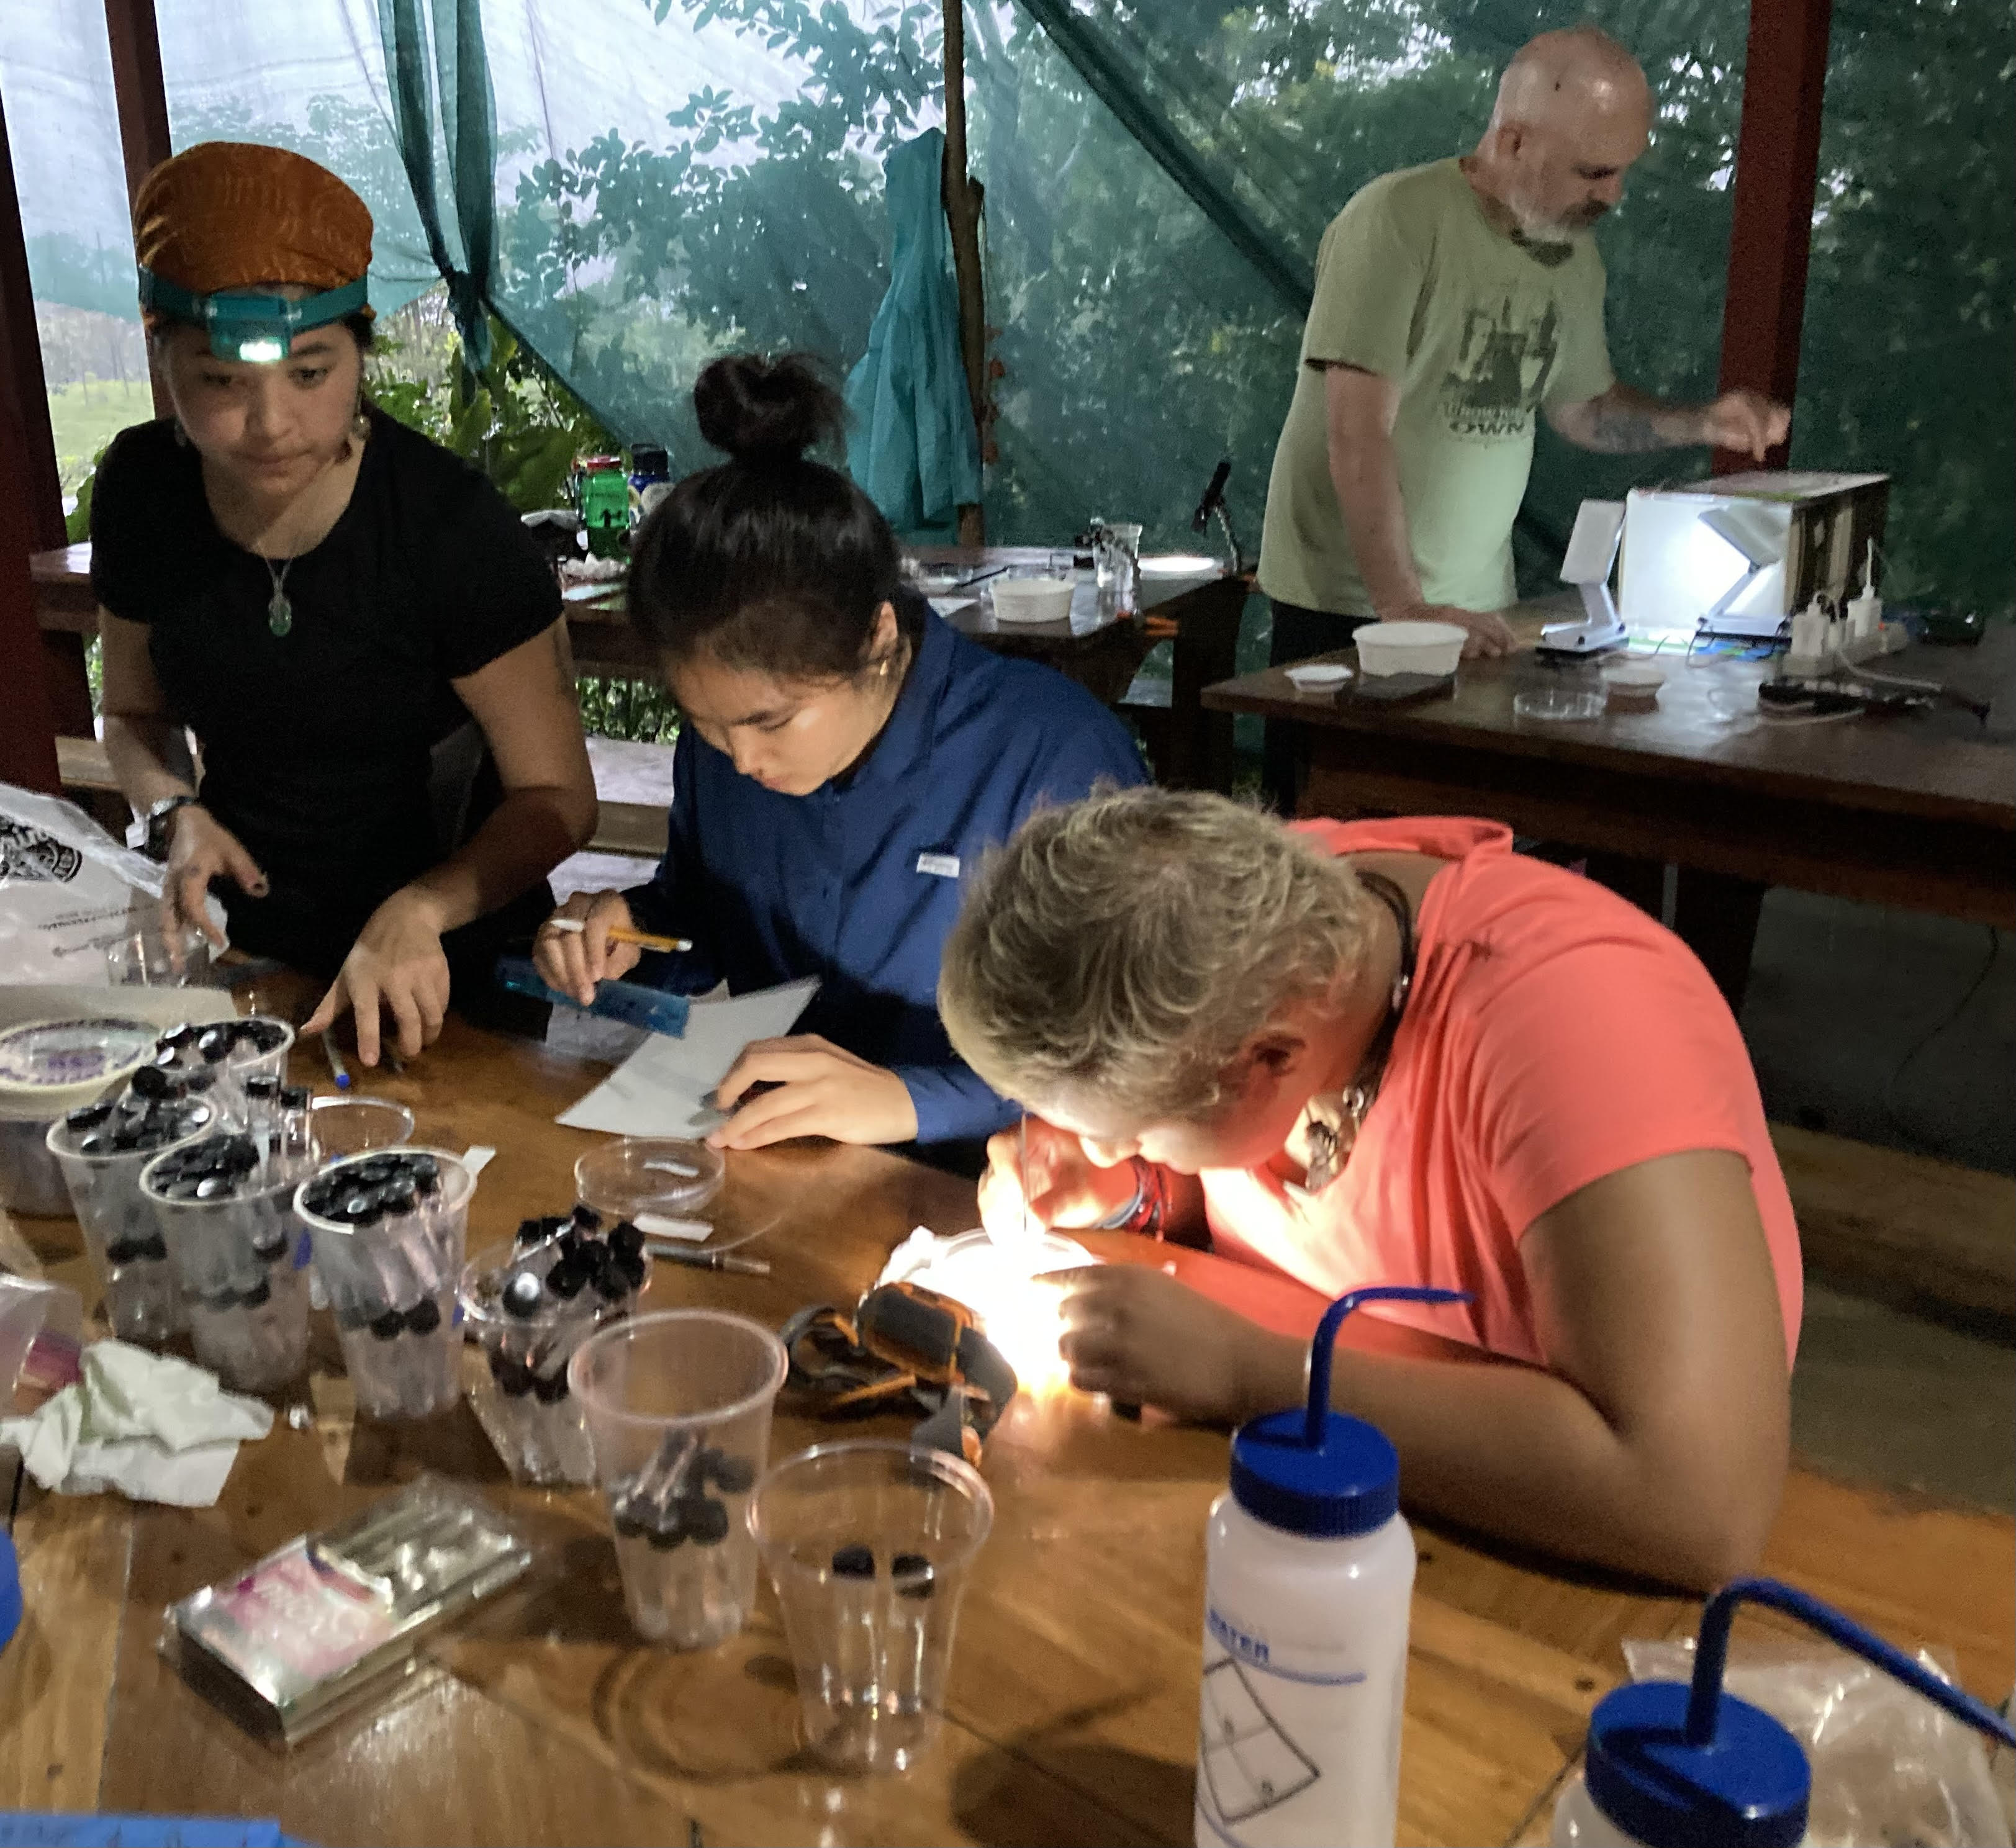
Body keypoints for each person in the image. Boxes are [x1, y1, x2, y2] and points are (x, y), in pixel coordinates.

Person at [938, 789, 1802, 1589]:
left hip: (1548, 1556)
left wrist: (1243, 1373)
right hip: (1327, 1497)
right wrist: (1132, 1183)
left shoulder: (1575, 1026)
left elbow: (1695, 1504)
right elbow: (1256, 1156)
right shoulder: (1248, 926)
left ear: (1270, 1057)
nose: (1102, 1143)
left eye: (1126, 1127)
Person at [535, 354, 1146, 1163]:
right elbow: (703, 916)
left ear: (877, 640)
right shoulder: (723, 746)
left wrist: (908, 1100)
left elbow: (1126, 1055)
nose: (741, 760)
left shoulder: (1050, 763)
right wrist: (631, 936)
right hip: (779, 1159)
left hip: (999, 1187)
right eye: (707, 726)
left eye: (772, 722)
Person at [91, 142, 595, 1063]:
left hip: (447, 967)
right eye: (219, 382)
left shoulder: (447, 530)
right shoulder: (142, 491)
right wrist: (174, 811)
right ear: (158, 348)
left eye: (312, 373)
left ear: (360, 345)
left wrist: (422, 906)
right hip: (251, 952)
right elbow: (128, 714)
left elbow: (558, 798)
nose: (271, 422)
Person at [1255, 27, 1792, 803]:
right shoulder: (1396, 220)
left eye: (1620, 172)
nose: (1613, 195)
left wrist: (1701, 423)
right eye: (1594, 172)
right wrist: (1403, 609)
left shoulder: (1573, 252)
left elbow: (1581, 409)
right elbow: (1355, 431)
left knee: (1449, 854)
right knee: (1324, 860)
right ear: (1511, 140)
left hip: (1480, 612)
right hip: (1348, 606)